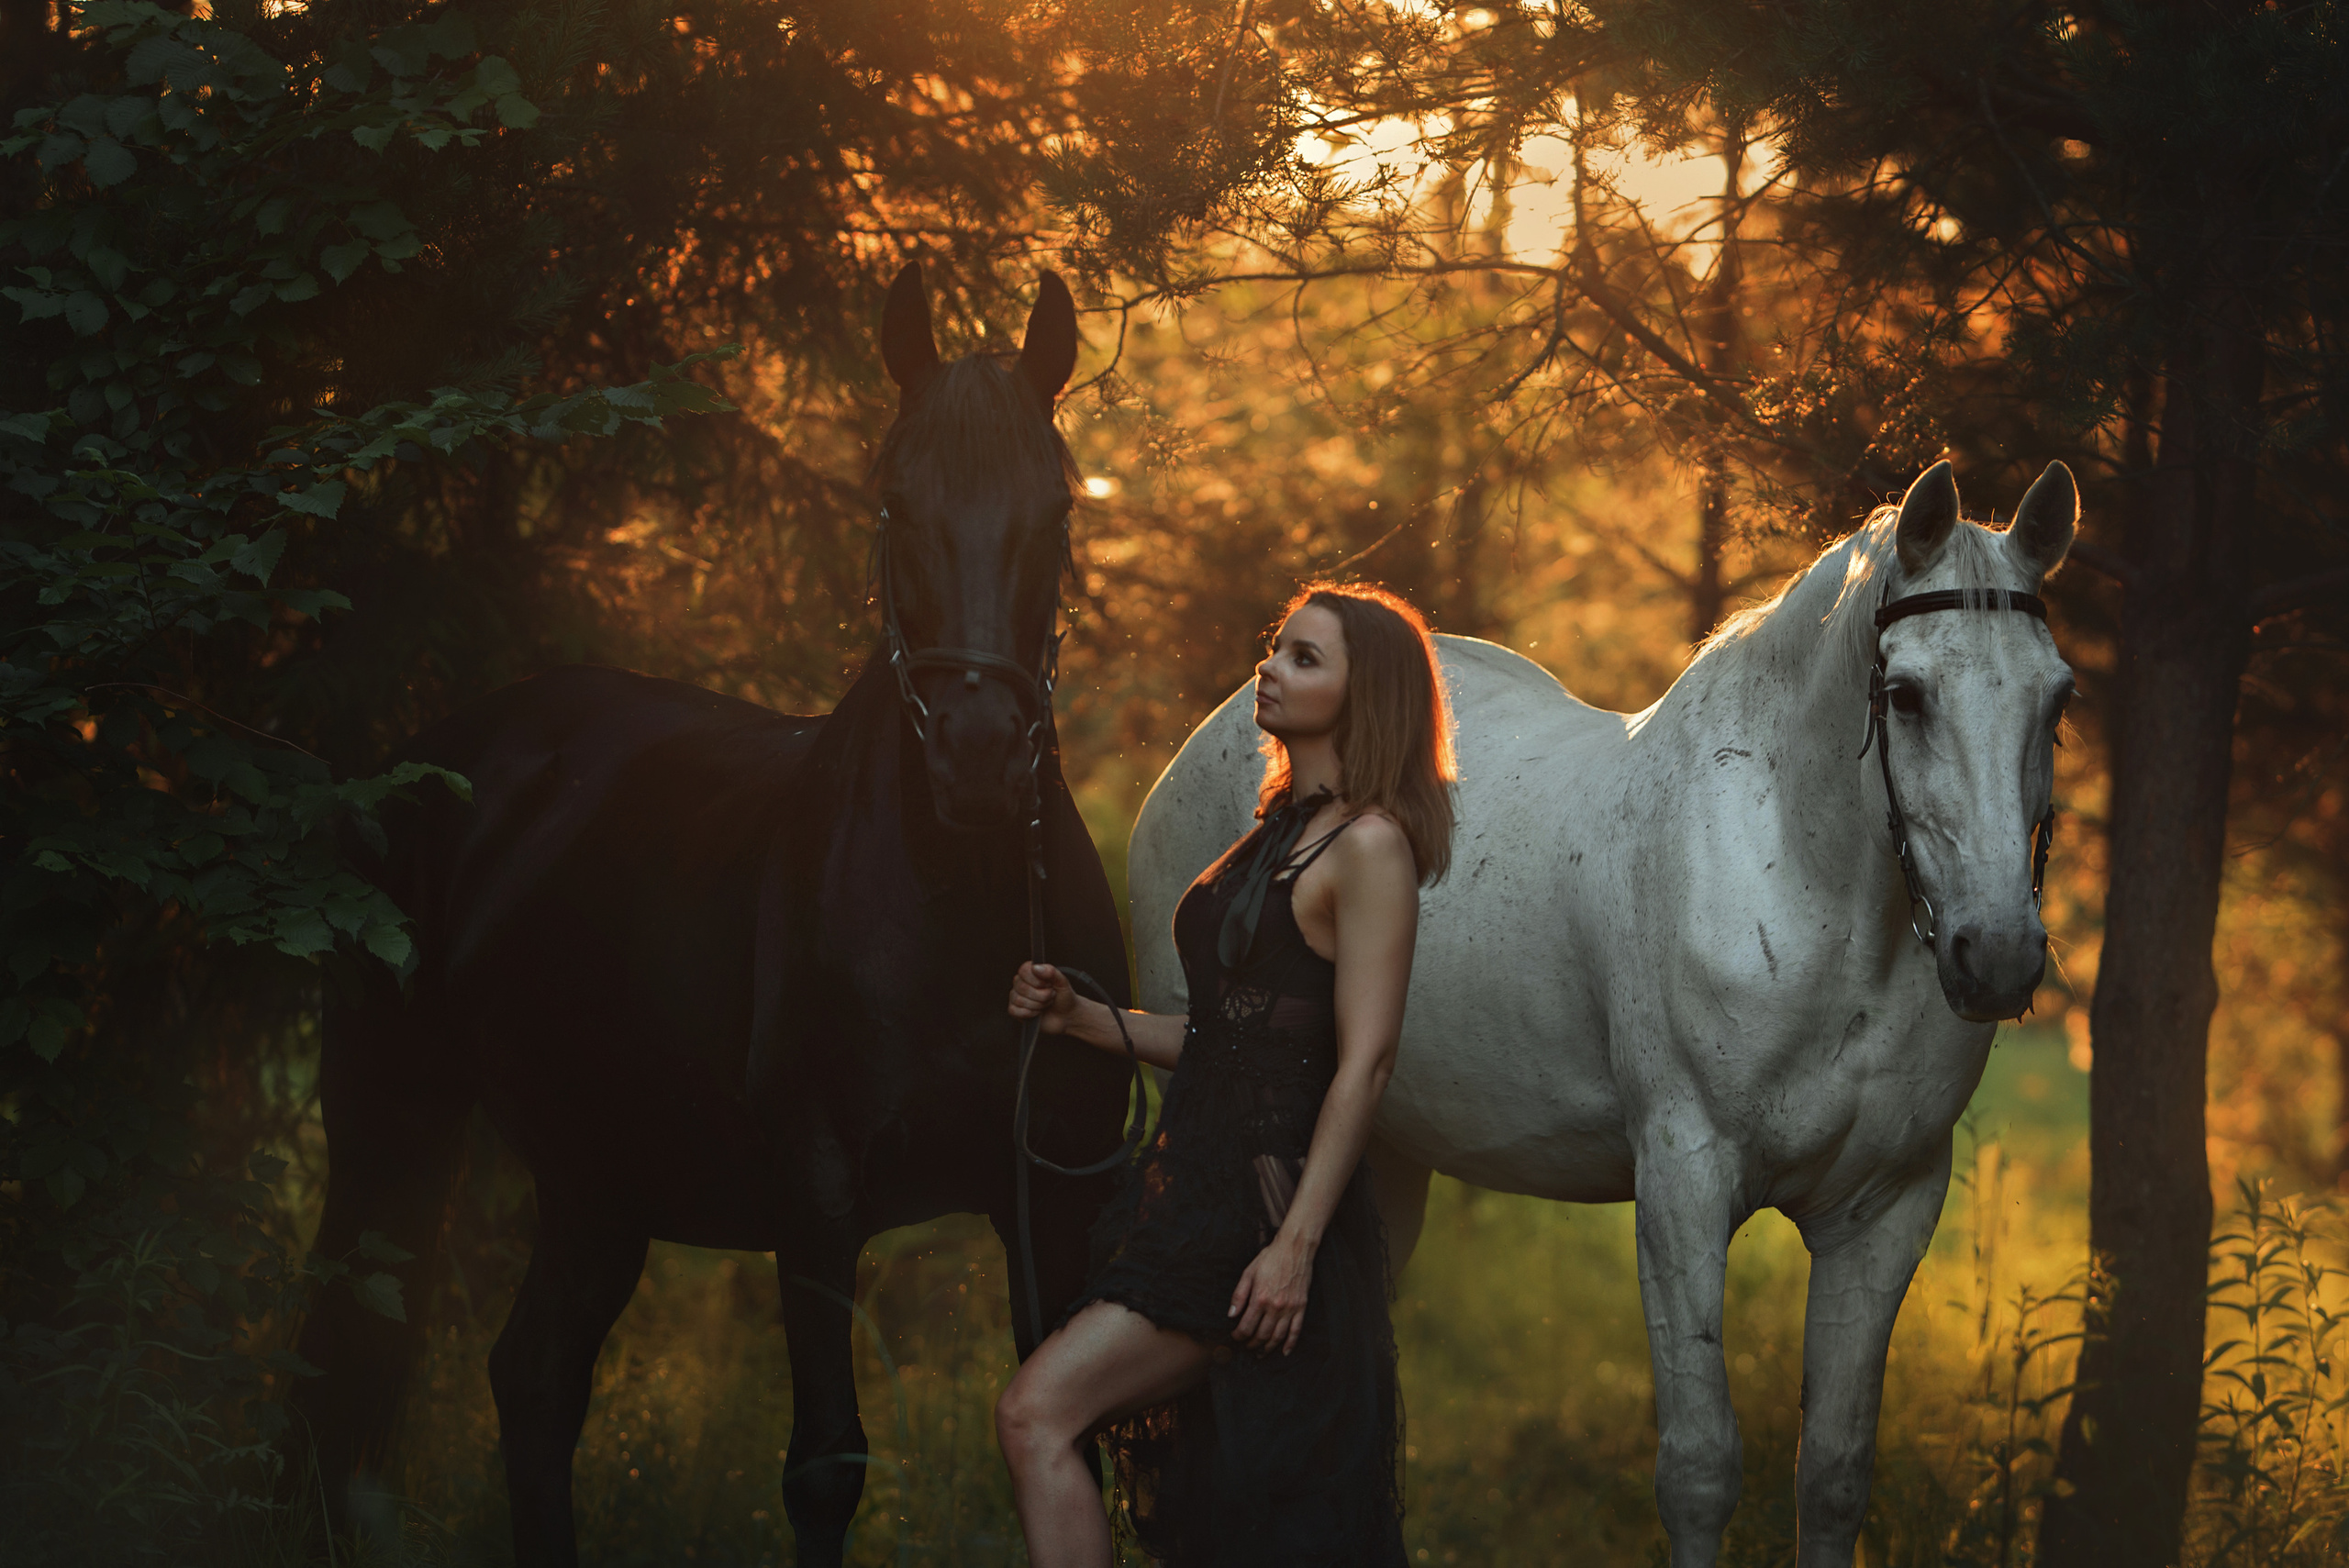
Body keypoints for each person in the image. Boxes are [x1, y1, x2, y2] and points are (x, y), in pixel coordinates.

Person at [997, 582, 1457, 1568]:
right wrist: (1084, 1019)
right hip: (1193, 1192)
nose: (1271, 668)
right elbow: (1231, 1040)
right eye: (1275, 648)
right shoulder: (1277, 831)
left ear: (1362, 690)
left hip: (1258, 1217)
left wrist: (1293, 1247)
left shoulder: (1367, 845)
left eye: (1304, 657)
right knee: (1208, 1514)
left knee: (1035, 1413)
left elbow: (1363, 1063)